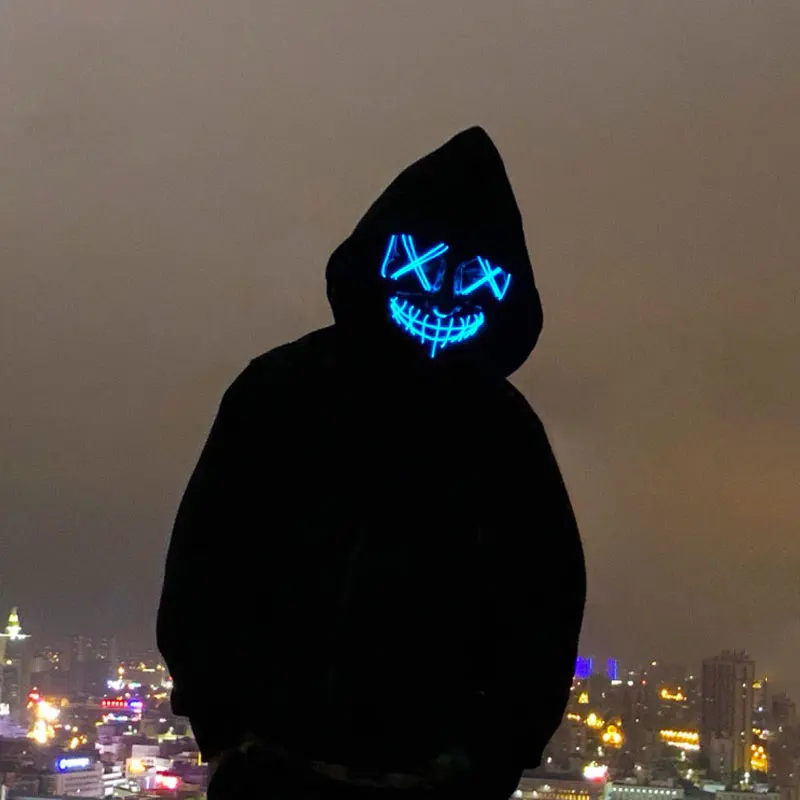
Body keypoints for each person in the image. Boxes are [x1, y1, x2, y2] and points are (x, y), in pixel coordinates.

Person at [156, 126, 586, 800]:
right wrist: (230, 737)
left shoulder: (501, 429)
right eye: (423, 266)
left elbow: (544, 603)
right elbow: (205, 563)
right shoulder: (282, 391)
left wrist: (489, 761)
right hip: (280, 769)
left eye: (472, 277)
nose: (442, 296)